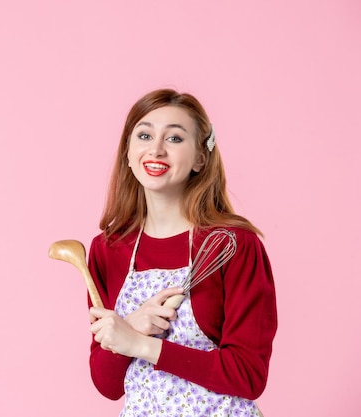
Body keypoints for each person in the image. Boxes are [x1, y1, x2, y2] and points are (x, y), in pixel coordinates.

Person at [87, 89, 277, 417]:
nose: (156, 149)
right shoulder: (107, 250)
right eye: (144, 135)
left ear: (201, 158)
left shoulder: (233, 245)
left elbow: (248, 374)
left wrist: (141, 344)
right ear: (129, 153)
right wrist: (128, 325)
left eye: (175, 138)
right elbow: (107, 385)